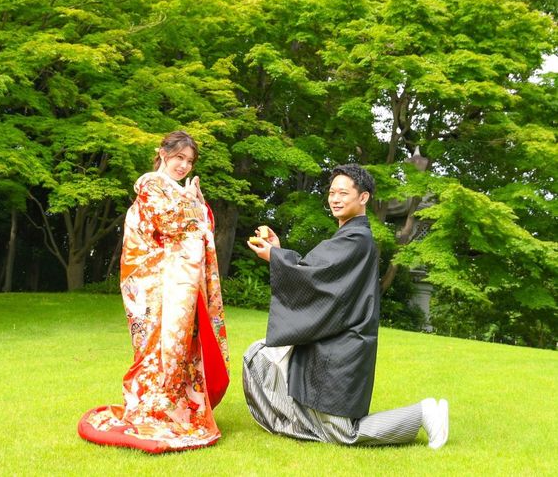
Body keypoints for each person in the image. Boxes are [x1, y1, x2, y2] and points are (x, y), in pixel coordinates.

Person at [244, 163, 448, 449]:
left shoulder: (356, 239)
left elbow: (314, 277)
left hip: (342, 344)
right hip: (339, 339)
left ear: (363, 197)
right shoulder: (350, 238)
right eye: (332, 193)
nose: (335, 199)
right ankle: (300, 424)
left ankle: (422, 413)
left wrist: (275, 257)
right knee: (258, 356)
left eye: (343, 193)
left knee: (343, 433)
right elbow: (316, 273)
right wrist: (278, 252)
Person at [78, 130, 229, 454]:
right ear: (162, 153)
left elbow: (198, 226)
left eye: (189, 161)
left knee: (181, 346)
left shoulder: (177, 190)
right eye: (179, 157)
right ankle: (152, 409)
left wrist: (197, 205)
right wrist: (192, 206)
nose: (183, 165)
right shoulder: (151, 184)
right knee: (155, 347)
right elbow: (170, 225)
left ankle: (176, 410)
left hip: (177, 282)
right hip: (154, 282)